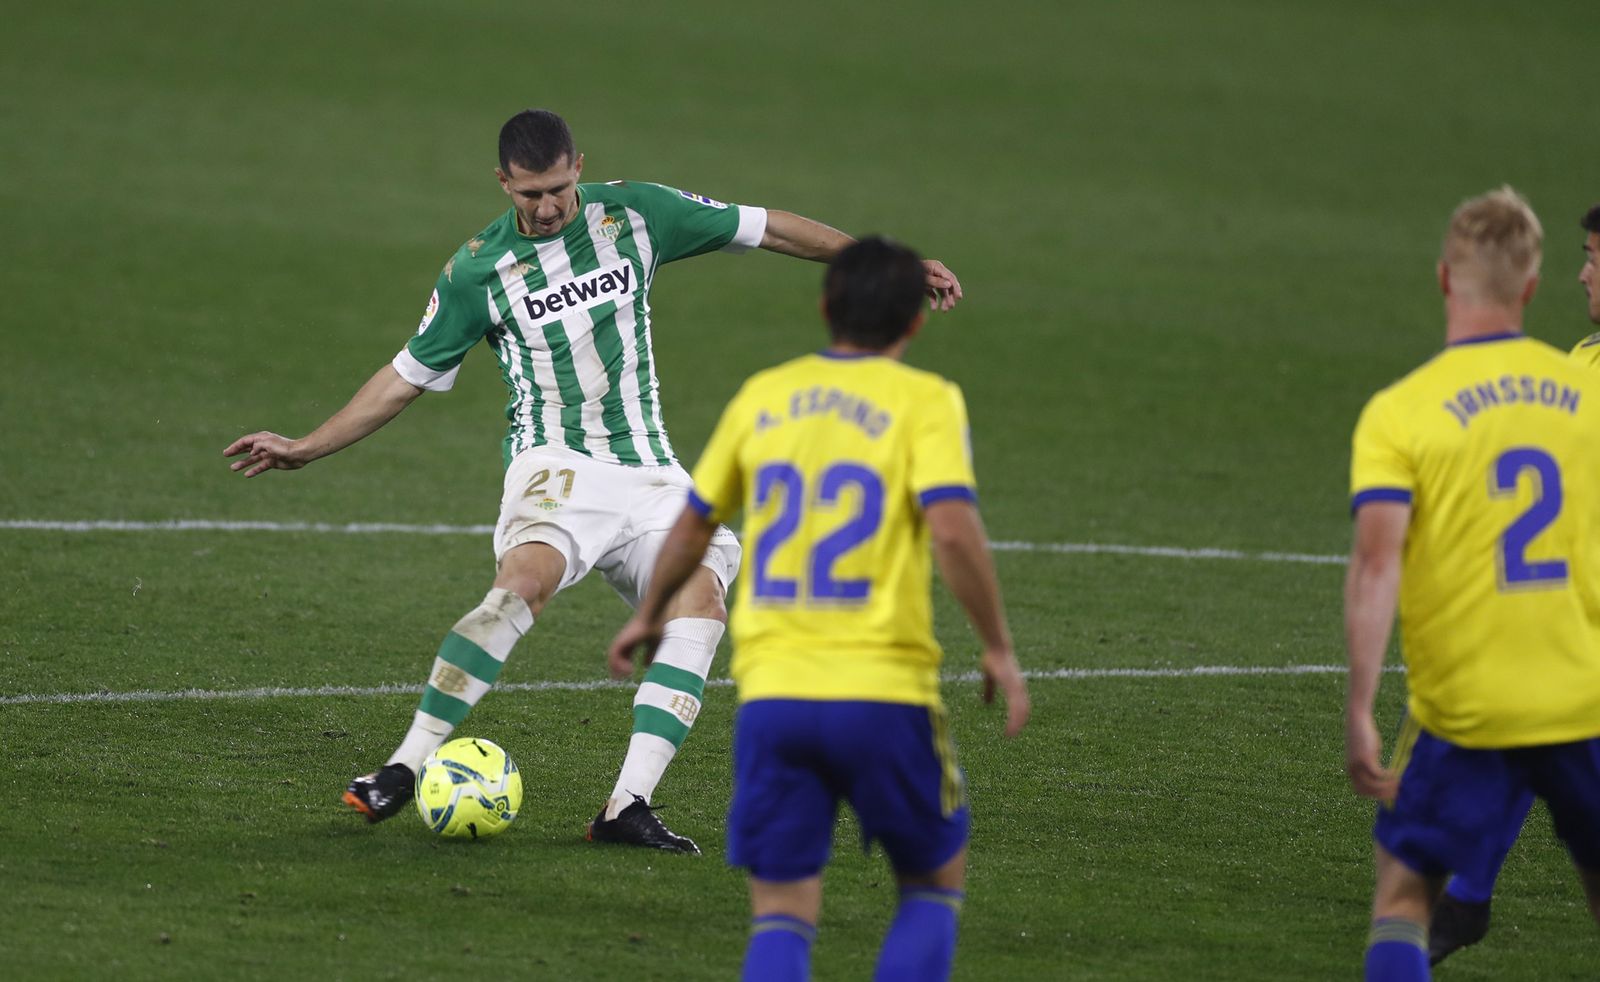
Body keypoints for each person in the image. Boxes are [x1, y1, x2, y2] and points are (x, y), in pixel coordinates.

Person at [223, 109, 964, 853]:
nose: (547, 207)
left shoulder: (637, 214)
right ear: (503, 183)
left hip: (650, 471)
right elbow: (404, 377)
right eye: (530, 194)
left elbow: (767, 227)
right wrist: (308, 446)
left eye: (558, 188)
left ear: (579, 166)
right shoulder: (478, 270)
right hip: (555, 463)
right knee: (524, 583)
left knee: (701, 603)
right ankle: (404, 767)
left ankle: (626, 805)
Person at [607, 236, 1029, 981]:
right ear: (915, 322)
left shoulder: (764, 395)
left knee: (781, 912)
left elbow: (696, 521)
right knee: (931, 884)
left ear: (825, 305)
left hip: (775, 701)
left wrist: (647, 616)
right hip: (883, 695)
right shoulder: (926, 400)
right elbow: (954, 531)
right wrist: (996, 645)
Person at [1344, 186, 1600, 981]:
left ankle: (1457, 907)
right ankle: (1472, 899)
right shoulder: (1581, 391)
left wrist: (1358, 708)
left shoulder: (1401, 411)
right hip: (1583, 694)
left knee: (1402, 899)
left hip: (1467, 703)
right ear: (1531, 286)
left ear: (1443, 279)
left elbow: (1377, 564)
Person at [1427, 202, 1600, 965]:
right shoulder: (1583, 361)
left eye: (1594, 258)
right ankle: (1466, 899)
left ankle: (1465, 899)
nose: (1583, 274)